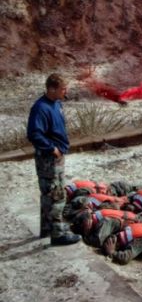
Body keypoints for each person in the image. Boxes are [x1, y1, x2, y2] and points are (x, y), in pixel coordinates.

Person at [26, 74, 81, 245]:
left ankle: (47, 229)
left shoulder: (56, 103)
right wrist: (52, 149)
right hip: (49, 159)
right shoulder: (40, 108)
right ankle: (57, 235)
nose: (66, 92)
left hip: (56, 157)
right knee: (57, 195)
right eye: (63, 89)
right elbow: (34, 134)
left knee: (49, 194)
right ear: (51, 89)